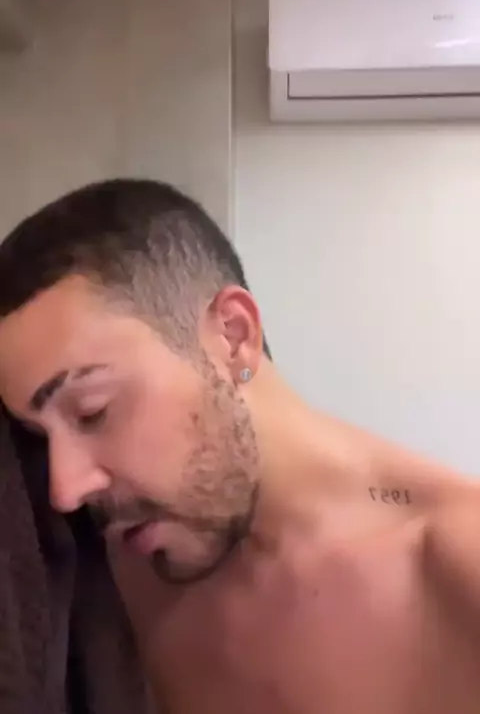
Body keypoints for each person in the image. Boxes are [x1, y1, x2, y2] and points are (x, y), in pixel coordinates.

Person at [0, 177, 478, 714]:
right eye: (40, 438)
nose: (65, 490)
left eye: (93, 411)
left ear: (233, 334)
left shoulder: (457, 568)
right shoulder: (101, 589)